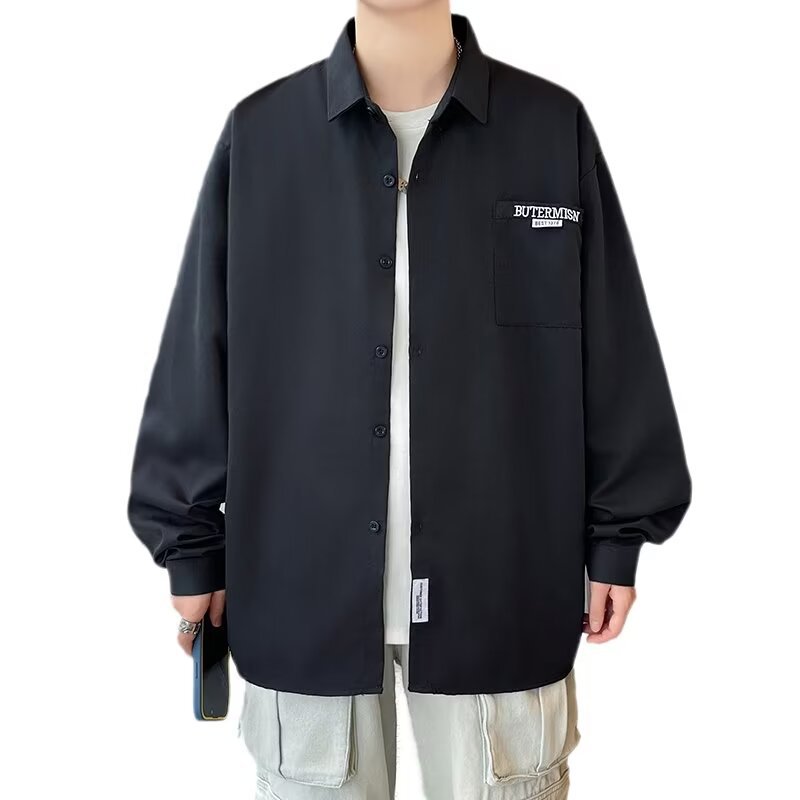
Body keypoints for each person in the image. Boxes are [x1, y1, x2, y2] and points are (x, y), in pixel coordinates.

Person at [126, 2, 691, 798]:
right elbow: (199, 353)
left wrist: (618, 534)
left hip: (503, 589)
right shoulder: (262, 135)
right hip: (304, 595)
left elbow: (613, 342)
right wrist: (188, 543)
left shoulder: (548, 128)